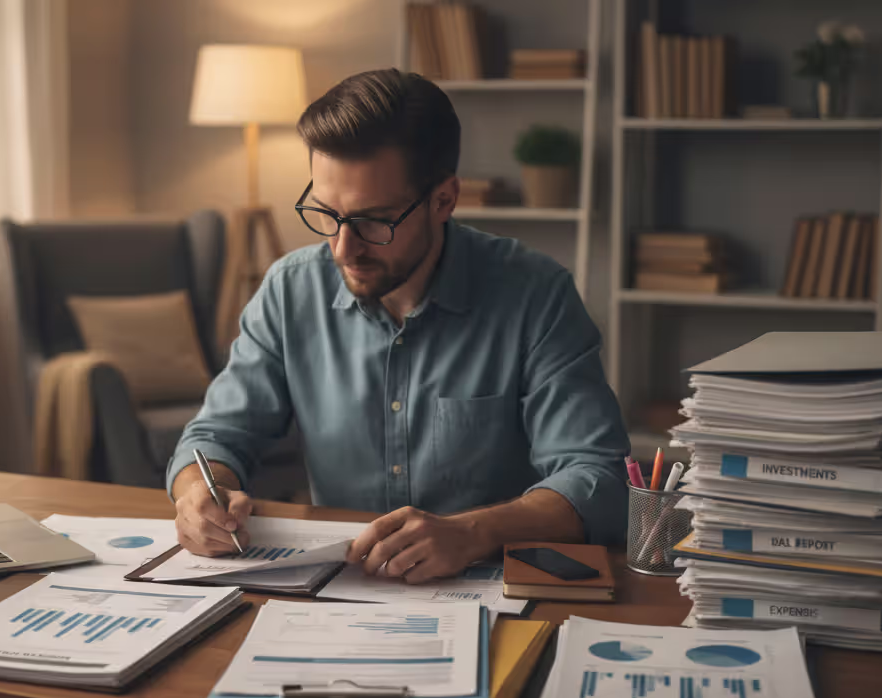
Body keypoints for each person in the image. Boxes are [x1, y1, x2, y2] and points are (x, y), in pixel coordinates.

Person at [168, 68, 628, 584]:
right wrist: (198, 494)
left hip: (490, 592)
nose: (343, 248)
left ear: (444, 201)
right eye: (325, 213)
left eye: (373, 221)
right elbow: (216, 434)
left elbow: (598, 477)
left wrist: (472, 532)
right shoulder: (289, 289)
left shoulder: (536, 295)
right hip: (336, 593)